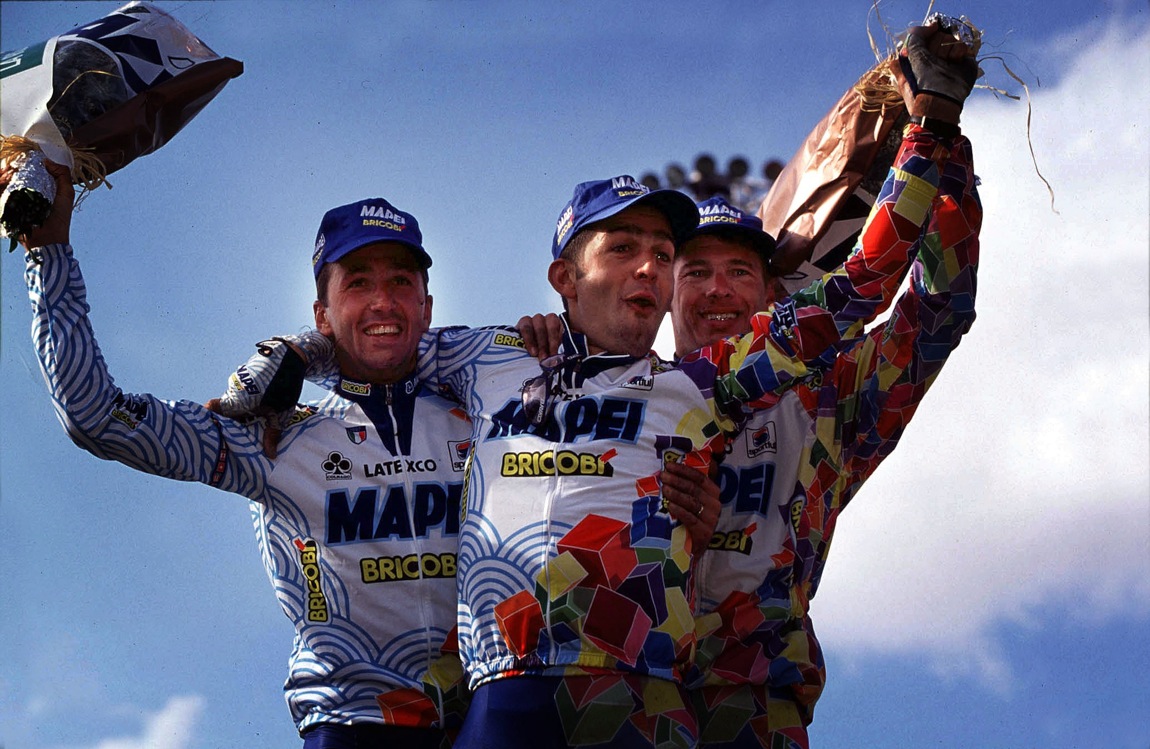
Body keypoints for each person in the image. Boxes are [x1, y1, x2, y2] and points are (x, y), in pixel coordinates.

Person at [220, 21, 979, 747]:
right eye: (676, 264)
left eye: (737, 269)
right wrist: (284, 357)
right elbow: (378, 334)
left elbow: (865, 295)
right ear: (568, 280)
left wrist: (932, 138)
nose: (678, 276)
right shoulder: (495, 357)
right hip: (506, 688)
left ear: (769, 293)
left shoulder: (757, 393)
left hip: (712, 696)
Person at [18, 186, 476, 748]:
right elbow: (98, 418)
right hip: (354, 724)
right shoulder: (272, 433)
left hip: (490, 719)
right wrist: (49, 250)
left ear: (426, 305)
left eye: (401, 281)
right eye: (357, 281)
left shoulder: (491, 415)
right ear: (322, 314)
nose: (383, 301)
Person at [674, 164, 978, 747]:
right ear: (666, 291)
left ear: (772, 294)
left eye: (739, 271)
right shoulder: (623, 394)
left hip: (753, 695)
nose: (717, 289)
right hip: (620, 689)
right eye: (696, 272)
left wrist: (940, 159)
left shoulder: (827, 400)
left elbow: (937, 313)